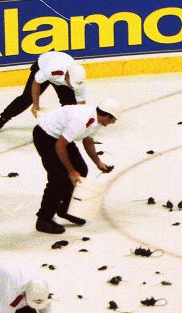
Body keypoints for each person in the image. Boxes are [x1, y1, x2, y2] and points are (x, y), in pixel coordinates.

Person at [32, 98, 118, 234]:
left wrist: (98, 162)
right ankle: (43, 219)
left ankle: (66, 208)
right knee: (58, 178)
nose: (114, 123)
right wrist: (71, 171)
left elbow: (88, 140)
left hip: (60, 137)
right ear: (107, 116)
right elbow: (60, 146)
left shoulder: (95, 120)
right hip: (45, 136)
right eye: (114, 119)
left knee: (81, 169)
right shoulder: (81, 121)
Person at [0, 50, 88, 133]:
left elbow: (81, 105)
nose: (73, 88)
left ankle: (63, 125)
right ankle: (3, 117)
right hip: (43, 64)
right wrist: (36, 106)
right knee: (27, 98)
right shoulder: (52, 71)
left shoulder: (78, 80)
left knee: (70, 103)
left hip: (61, 64)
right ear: (66, 77)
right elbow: (36, 83)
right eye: (72, 85)